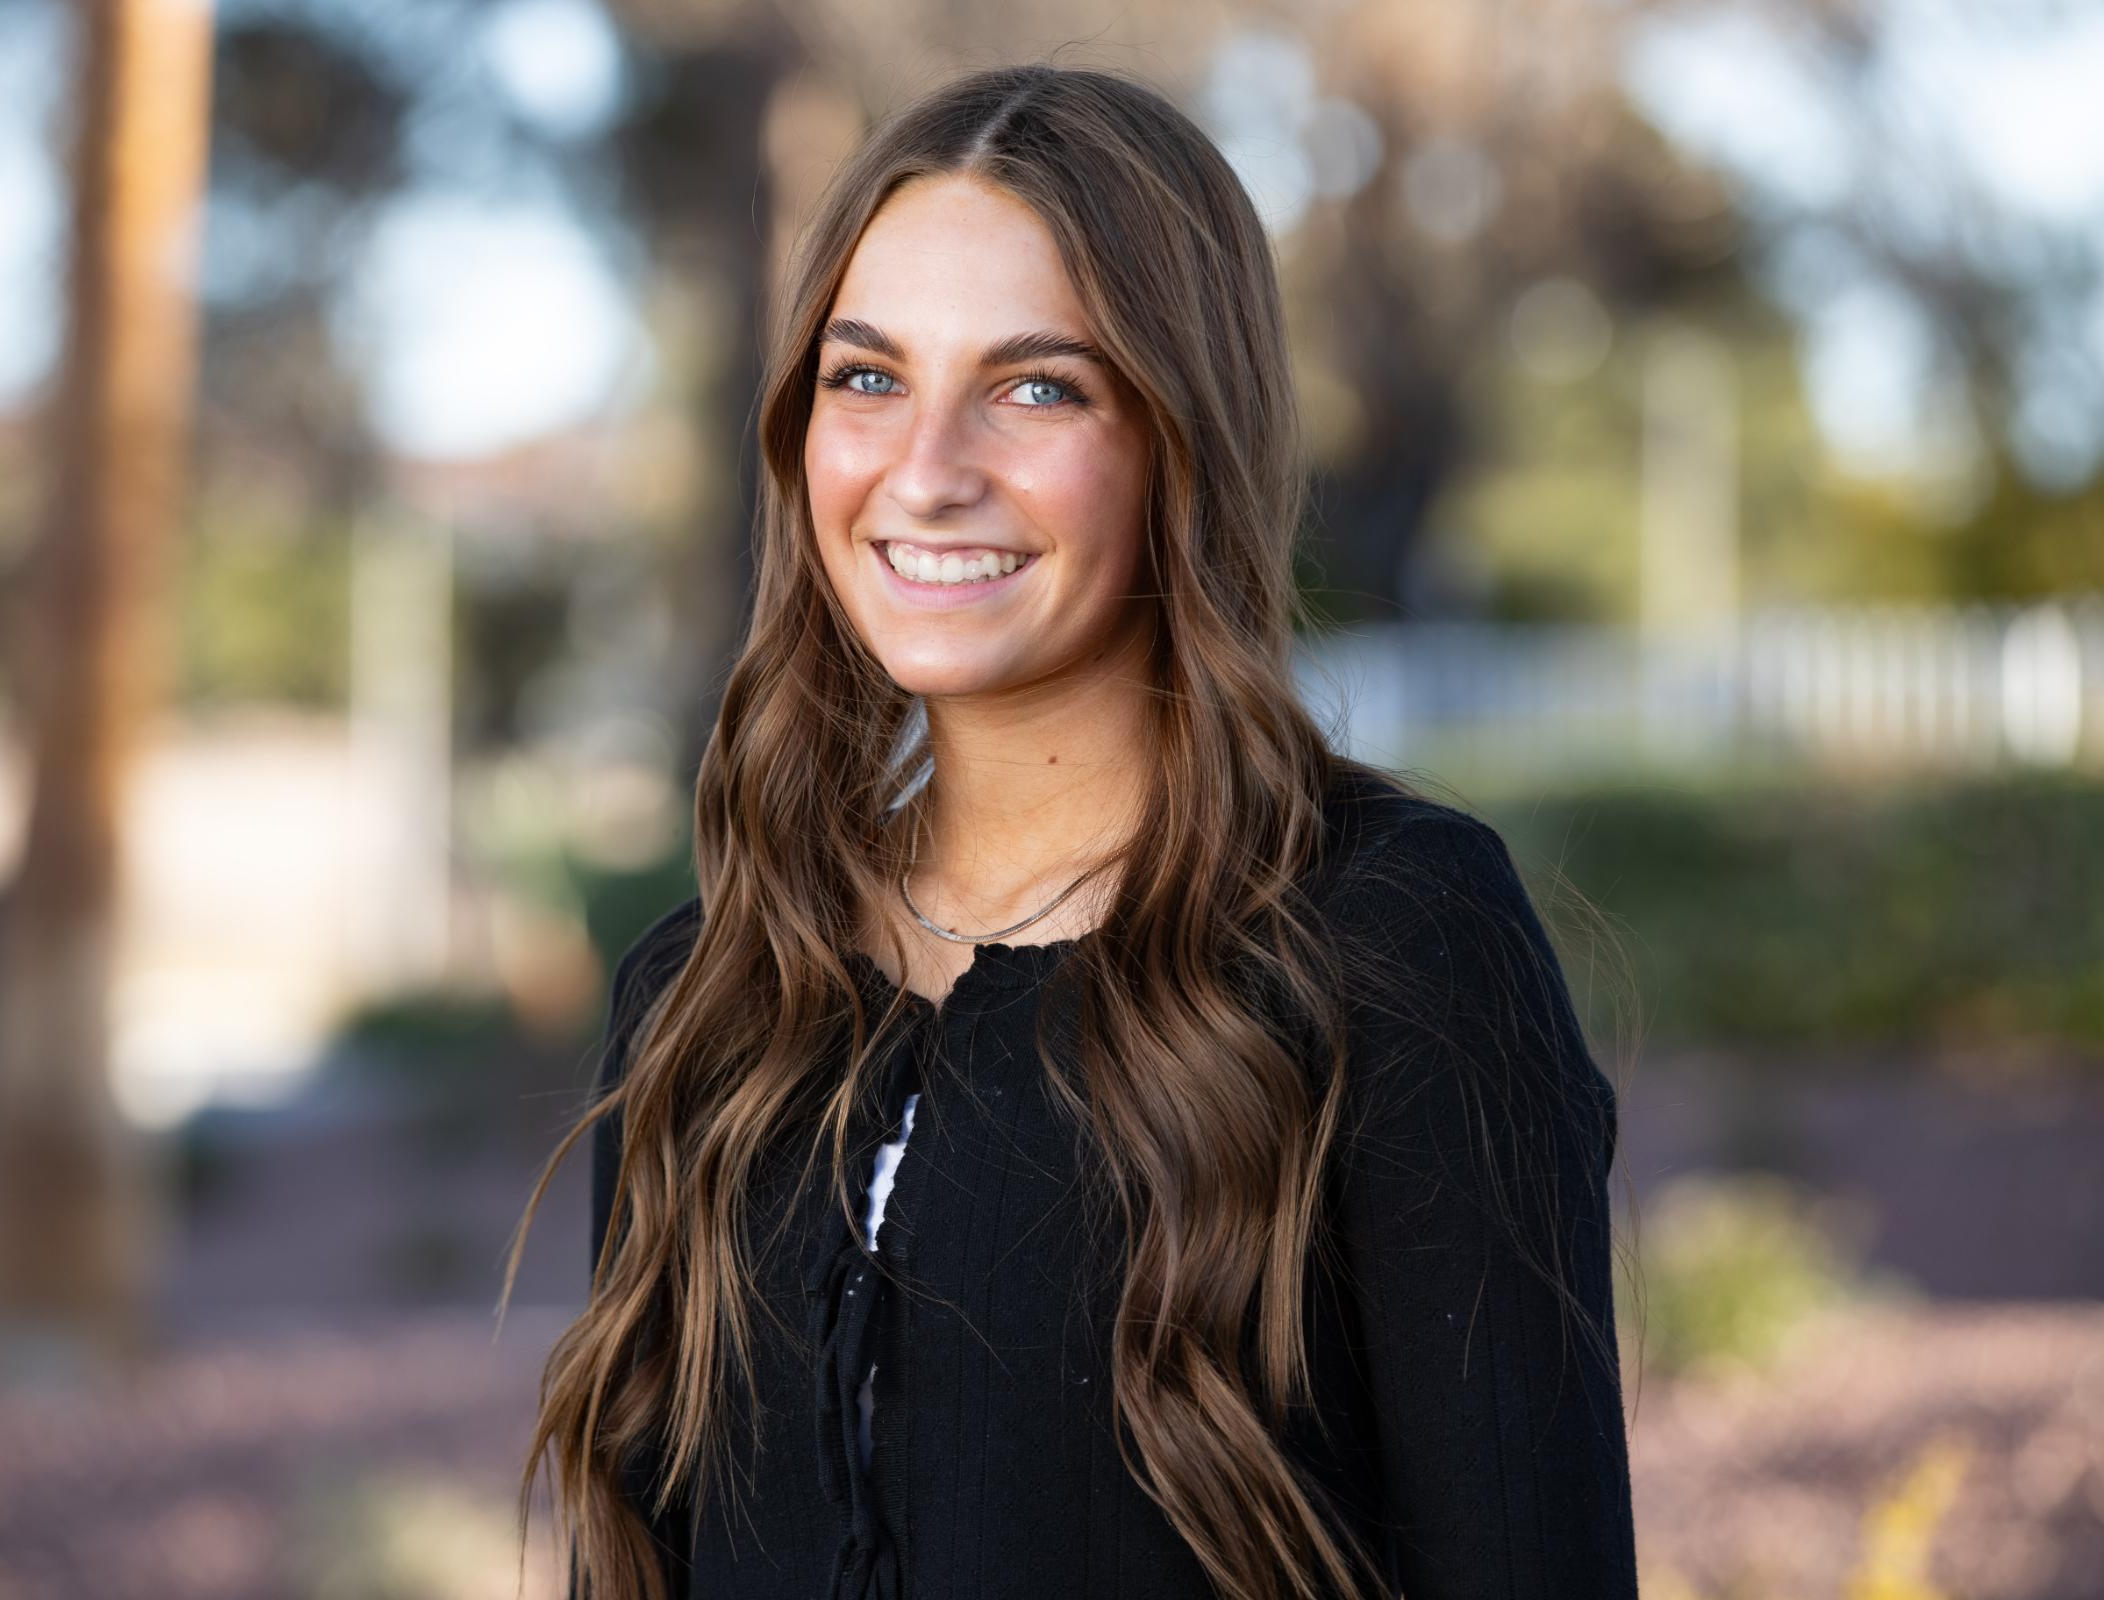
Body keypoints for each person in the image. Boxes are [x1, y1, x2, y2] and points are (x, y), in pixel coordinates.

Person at [516, 61, 1640, 1600]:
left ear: (1184, 434)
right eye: (869, 377)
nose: (926, 470)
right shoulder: (704, 995)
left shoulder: (1392, 941)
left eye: (1038, 385)